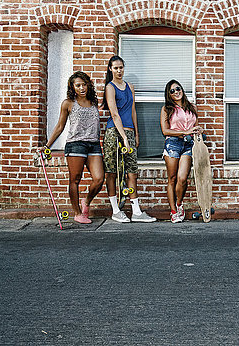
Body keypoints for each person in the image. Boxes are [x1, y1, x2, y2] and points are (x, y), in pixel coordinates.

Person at [43, 71, 104, 224]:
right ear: (72, 87)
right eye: (78, 85)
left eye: (84, 84)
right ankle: (77, 213)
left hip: (94, 144)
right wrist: (47, 146)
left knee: (99, 179)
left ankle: (87, 202)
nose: (82, 88)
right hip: (76, 144)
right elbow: (60, 126)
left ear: (88, 85)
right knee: (75, 180)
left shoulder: (93, 102)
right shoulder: (68, 103)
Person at [102, 56, 156, 223]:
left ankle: (136, 211)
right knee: (112, 171)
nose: (119, 71)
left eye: (121, 67)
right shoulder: (109, 88)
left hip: (129, 132)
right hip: (114, 133)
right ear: (110, 69)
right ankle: (116, 210)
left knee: (131, 171)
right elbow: (114, 113)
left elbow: (133, 112)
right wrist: (123, 137)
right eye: (116, 68)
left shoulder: (129, 87)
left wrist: (135, 134)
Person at [160, 80, 202, 223]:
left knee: (182, 178)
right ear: (169, 95)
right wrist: (185, 131)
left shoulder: (192, 107)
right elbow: (165, 130)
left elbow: (195, 127)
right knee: (172, 179)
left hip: (188, 145)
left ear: (182, 90)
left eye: (178, 88)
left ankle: (179, 204)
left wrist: (198, 131)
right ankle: (173, 212)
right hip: (173, 144)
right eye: (172, 91)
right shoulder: (167, 108)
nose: (176, 92)